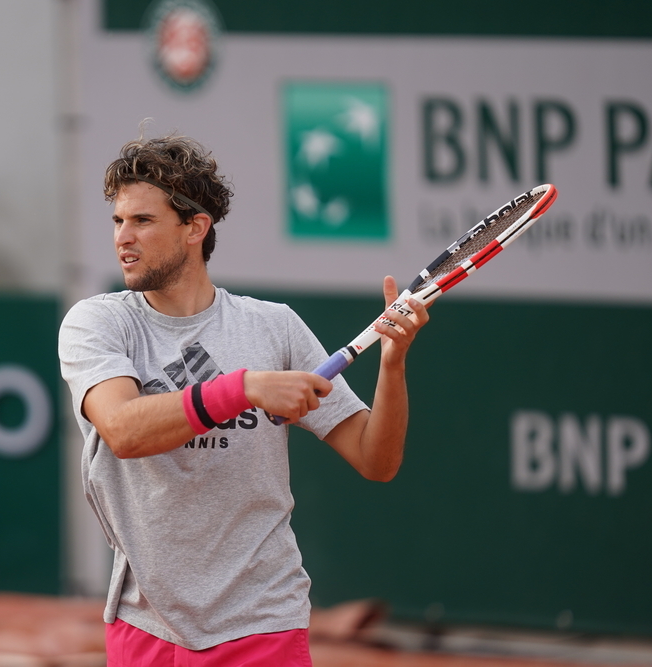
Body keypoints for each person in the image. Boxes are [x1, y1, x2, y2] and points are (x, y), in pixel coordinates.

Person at [58, 133, 429, 666]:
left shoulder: (273, 327)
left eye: (142, 220)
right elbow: (123, 431)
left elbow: (377, 459)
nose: (123, 238)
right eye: (118, 221)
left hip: (264, 624)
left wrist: (392, 366)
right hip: (149, 629)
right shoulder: (98, 323)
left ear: (195, 227)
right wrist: (244, 387)